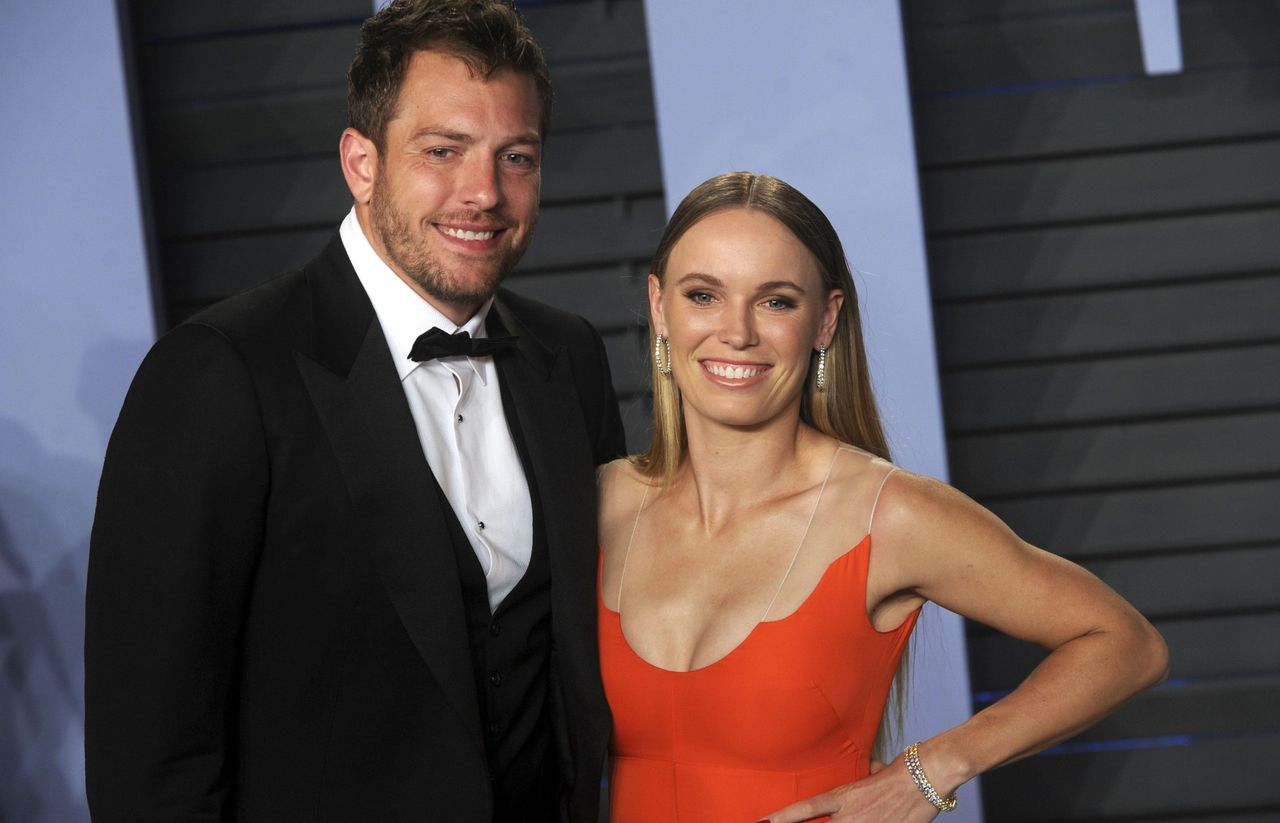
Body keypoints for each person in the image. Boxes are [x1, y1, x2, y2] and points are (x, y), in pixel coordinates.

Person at [84, 1, 624, 820]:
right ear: (360, 162)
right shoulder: (219, 375)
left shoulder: (570, 359)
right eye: (443, 151)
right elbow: (149, 762)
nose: (483, 192)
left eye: (516, 156)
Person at [597, 172, 1168, 822]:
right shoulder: (597, 504)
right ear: (659, 306)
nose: (737, 332)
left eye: (776, 301)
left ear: (825, 320)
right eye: (703, 294)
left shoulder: (888, 515)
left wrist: (931, 771)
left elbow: (1125, 642)